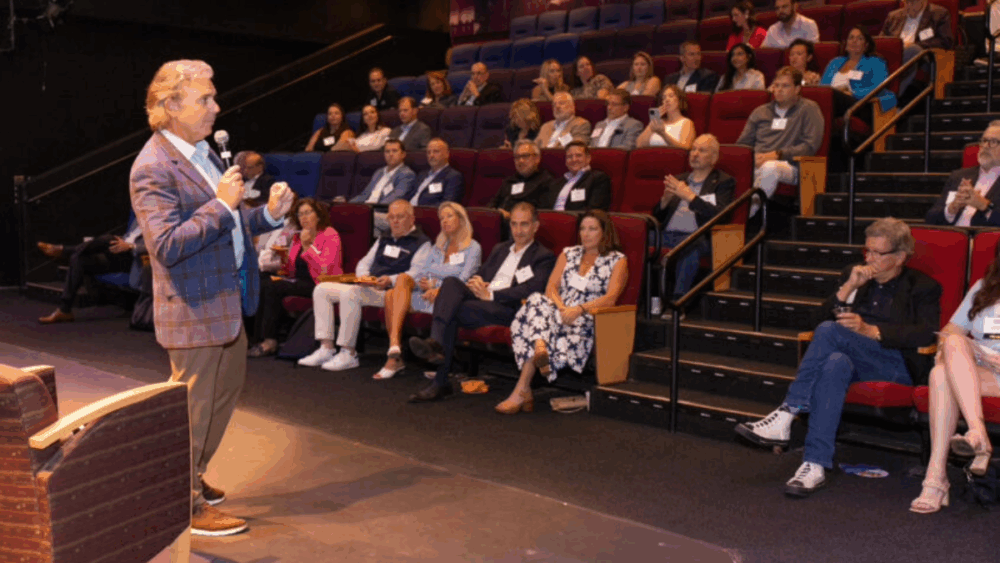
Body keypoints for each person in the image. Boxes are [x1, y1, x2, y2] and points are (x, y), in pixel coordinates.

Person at [129, 59, 295, 535]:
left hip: (226, 301)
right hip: (194, 307)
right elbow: (166, 246)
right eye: (205, 99)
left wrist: (266, 216)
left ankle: (192, 475)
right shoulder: (152, 167)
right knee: (193, 408)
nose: (216, 107)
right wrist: (223, 203)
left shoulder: (201, 151)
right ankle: (183, 503)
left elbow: (230, 227)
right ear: (170, 106)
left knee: (221, 398)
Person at [735, 218, 940, 497]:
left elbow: (925, 334)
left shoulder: (922, 286)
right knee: (833, 363)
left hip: (895, 365)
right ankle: (815, 465)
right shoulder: (854, 276)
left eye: (878, 253)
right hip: (853, 360)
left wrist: (873, 331)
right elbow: (813, 322)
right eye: (867, 251)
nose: (869, 258)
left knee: (832, 331)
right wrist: (847, 288)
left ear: (900, 257)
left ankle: (787, 413)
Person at [408, 202, 556, 402]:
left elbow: (531, 290)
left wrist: (492, 294)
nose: (518, 230)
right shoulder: (500, 248)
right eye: (514, 224)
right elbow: (480, 274)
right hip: (480, 303)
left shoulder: (543, 256)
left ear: (536, 226)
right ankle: (436, 349)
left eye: (524, 224)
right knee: (451, 283)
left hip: (509, 309)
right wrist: (476, 283)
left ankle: (439, 372)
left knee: (451, 309)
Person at [497, 210, 628, 414]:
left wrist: (579, 309)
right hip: (557, 312)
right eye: (583, 228)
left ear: (605, 232)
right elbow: (551, 288)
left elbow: (611, 298)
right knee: (536, 298)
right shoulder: (569, 253)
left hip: (587, 318)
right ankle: (540, 349)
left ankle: (523, 388)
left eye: (592, 229)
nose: (586, 234)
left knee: (531, 320)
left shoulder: (617, 260)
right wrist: (562, 308)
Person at [911, 246, 1000, 513]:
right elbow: (951, 329)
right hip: (980, 370)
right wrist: (970, 352)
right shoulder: (986, 287)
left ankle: (936, 482)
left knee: (942, 373)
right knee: (948, 353)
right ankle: (977, 434)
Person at [298, 199, 432, 371]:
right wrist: (366, 278)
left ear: (412, 219)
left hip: (395, 293)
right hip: (371, 287)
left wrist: (390, 279)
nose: (395, 221)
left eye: (400, 217)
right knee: (321, 289)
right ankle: (326, 347)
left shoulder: (422, 243)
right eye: (391, 217)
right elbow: (363, 263)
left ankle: (348, 352)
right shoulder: (385, 237)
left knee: (352, 293)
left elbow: (417, 274)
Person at [375, 202, 482, 380]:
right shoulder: (437, 247)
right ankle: (395, 348)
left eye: (449, 216)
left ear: (461, 219)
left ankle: (395, 355)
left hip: (450, 299)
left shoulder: (473, 247)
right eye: (441, 218)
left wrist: (439, 289)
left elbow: (464, 279)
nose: (444, 221)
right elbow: (422, 275)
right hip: (426, 295)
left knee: (395, 295)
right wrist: (429, 285)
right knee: (394, 291)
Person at [249, 198, 343, 357]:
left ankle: (270, 340)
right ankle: (255, 338)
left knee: (273, 287)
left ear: (318, 215)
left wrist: (308, 247)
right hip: (298, 281)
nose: (303, 218)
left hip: (320, 283)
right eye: (300, 215)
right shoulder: (298, 237)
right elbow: (291, 271)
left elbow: (325, 270)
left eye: (307, 213)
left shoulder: (329, 235)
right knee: (262, 279)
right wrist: (283, 259)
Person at [735, 66, 824, 221]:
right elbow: (743, 144)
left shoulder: (809, 108)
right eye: (777, 85)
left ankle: (743, 217)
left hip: (792, 166)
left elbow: (810, 146)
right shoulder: (760, 111)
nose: (779, 90)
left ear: (797, 89)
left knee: (770, 168)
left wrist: (777, 155)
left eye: (785, 86)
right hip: (758, 162)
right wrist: (749, 158)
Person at [653, 134, 735, 300]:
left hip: (698, 238)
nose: (695, 154)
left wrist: (691, 198)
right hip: (668, 235)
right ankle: (642, 299)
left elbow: (721, 216)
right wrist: (665, 201)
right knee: (637, 238)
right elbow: (657, 217)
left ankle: (678, 300)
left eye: (702, 150)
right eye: (693, 149)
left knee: (690, 246)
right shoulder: (679, 179)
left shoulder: (723, 182)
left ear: (714, 158)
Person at [36, 218, 145, 324]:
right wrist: (123, 240)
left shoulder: (160, 221)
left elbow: (159, 247)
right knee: (78, 259)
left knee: (108, 239)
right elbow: (130, 237)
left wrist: (131, 246)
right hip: (121, 254)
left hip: (138, 259)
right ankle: (64, 310)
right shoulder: (139, 219)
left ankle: (64, 250)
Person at [925, 122, 1000, 227]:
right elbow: (930, 219)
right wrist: (951, 209)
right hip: (952, 238)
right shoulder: (959, 176)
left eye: (993, 141)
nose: (986, 146)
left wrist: (984, 206)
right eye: (984, 140)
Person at [881, 0, 953, 97]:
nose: (909, 6)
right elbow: (881, 41)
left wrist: (915, 45)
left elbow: (945, 41)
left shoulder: (938, 14)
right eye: (906, 3)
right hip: (896, 55)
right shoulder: (894, 16)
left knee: (913, 50)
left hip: (924, 57)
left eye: (913, 2)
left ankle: (892, 98)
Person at [820, 26, 897, 117]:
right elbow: (823, 87)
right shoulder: (835, 62)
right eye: (851, 38)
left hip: (862, 104)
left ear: (866, 45)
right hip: (833, 102)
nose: (854, 41)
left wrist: (852, 93)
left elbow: (878, 87)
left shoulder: (876, 62)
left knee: (832, 98)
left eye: (859, 38)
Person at [489, 140, 556, 215]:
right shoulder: (509, 181)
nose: (521, 161)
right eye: (517, 157)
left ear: (537, 159)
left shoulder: (546, 182)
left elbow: (540, 215)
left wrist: (509, 217)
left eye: (525, 156)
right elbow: (492, 206)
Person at [547, 141, 611, 211]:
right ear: (566, 161)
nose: (574, 159)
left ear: (588, 158)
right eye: (569, 156)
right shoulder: (556, 183)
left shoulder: (598, 178)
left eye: (578, 155)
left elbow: (594, 209)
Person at [350, 139, 416, 205]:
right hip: (366, 208)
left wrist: (369, 209)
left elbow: (395, 198)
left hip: (381, 211)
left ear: (403, 154)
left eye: (394, 151)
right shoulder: (379, 172)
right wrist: (348, 204)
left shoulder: (407, 175)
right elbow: (364, 195)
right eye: (387, 151)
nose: (390, 154)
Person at [407, 138, 464, 206]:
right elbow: (409, 196)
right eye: (429, 152)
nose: (431, 155)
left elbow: (447, 204)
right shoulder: (422, 174)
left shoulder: (453, 176)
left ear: (447, 154)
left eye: (436, 151)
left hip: (427, 213)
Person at [636, 85, 696, 150]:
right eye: (664, 98)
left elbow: (686, 148)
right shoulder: (657, 122)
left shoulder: (686, 122)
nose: (666, 100)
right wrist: (654, 120)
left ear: (679, 100)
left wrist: (663, 134)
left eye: (671, 96)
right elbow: (639, 145)